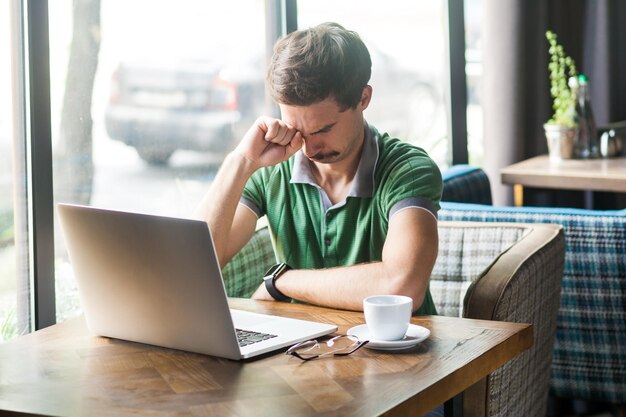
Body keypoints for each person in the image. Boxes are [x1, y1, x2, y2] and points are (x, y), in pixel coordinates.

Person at [197, 22, 442, 315]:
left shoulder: (408, 170)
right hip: (303, 350)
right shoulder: (272, 168)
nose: (309, 149)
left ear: (363, 98)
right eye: (297, 129)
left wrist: (281, 282)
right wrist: (240, 162)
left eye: (323, 129)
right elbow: (197, 267)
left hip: (396, 353)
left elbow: (402, 287)